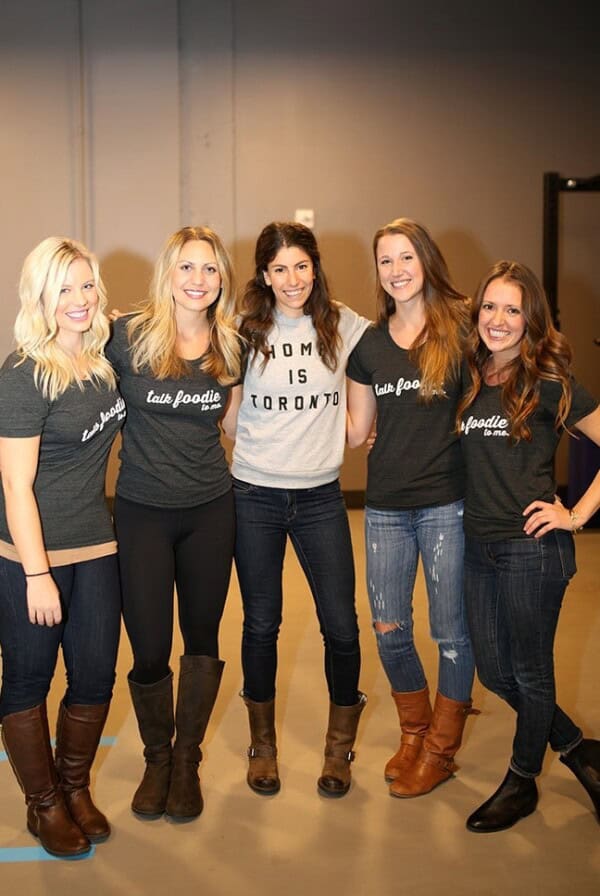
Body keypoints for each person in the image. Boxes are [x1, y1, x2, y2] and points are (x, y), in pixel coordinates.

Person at [227, 221, 369, 798]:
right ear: (264, 274)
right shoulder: (243, 331)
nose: (293, 280)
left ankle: (339, 751)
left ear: (316, 267)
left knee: (342, 623)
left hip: (319, 497)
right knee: (261, 624)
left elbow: (363, 420)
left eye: (302, 266)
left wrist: (360, 430)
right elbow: (230, 418)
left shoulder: (346, 324)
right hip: (255, 494)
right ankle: (263, 747)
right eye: (280, 269)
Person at [458, 260, 600, 833]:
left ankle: (522, 781)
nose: (498, 319)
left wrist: (577, 513)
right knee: (494, 673)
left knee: (532, 673)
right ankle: (580, 749)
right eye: (490, 306)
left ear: (531, 319)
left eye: (512, 309)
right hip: (478, 546)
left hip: (531, 550)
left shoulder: (547, 381)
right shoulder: (470, 375)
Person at [106, 226, 242, 822]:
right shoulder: (125, 337)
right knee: (150, 644)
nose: (198, 280)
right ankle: (155, 757)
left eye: (210, 270)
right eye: (187, 267)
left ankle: (187, 759)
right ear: (168, 273)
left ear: (222, 280)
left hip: (211, 509)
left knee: (203, 637)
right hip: (141, 512)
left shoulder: (231, 346)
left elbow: (235, 427)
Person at [0, 237, 125, 858]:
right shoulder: (23, 373)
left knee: (97, 675)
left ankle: (74, 788)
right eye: (63, 289)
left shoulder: (104, 364)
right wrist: (36, 573)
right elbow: (15, 485)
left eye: (86, 285)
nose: (78, 300)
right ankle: (43, 803)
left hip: (97, 545)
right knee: (28, 679)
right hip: (29, 555)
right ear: (40, 298)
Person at [346, 217, 476, 799]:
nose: (396, 271)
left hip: (447, 505)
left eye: (406, 258)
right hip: (385, 509)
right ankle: (416, 731)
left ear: (426, 261)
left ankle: (442, 752)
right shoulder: (369, 346)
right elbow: (355, 432)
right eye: (385, 261)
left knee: (451, 632)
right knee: (388, 628)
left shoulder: (462, 330)